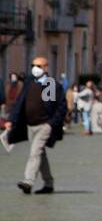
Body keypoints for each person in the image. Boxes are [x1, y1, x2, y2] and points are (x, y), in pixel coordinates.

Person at [4, 57, 66, 194]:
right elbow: (19, 103)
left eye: (38, 65)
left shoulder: (50, 84)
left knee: (34, 153)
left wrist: (51, 124)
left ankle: (28, 181)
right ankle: (48, 183)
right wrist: (11, 120)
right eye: (33, 65)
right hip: (30, 125)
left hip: (44, 126)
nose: (35, 68)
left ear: (45, 68)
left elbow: (59, 107)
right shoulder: (29, 83)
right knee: (40, 154)